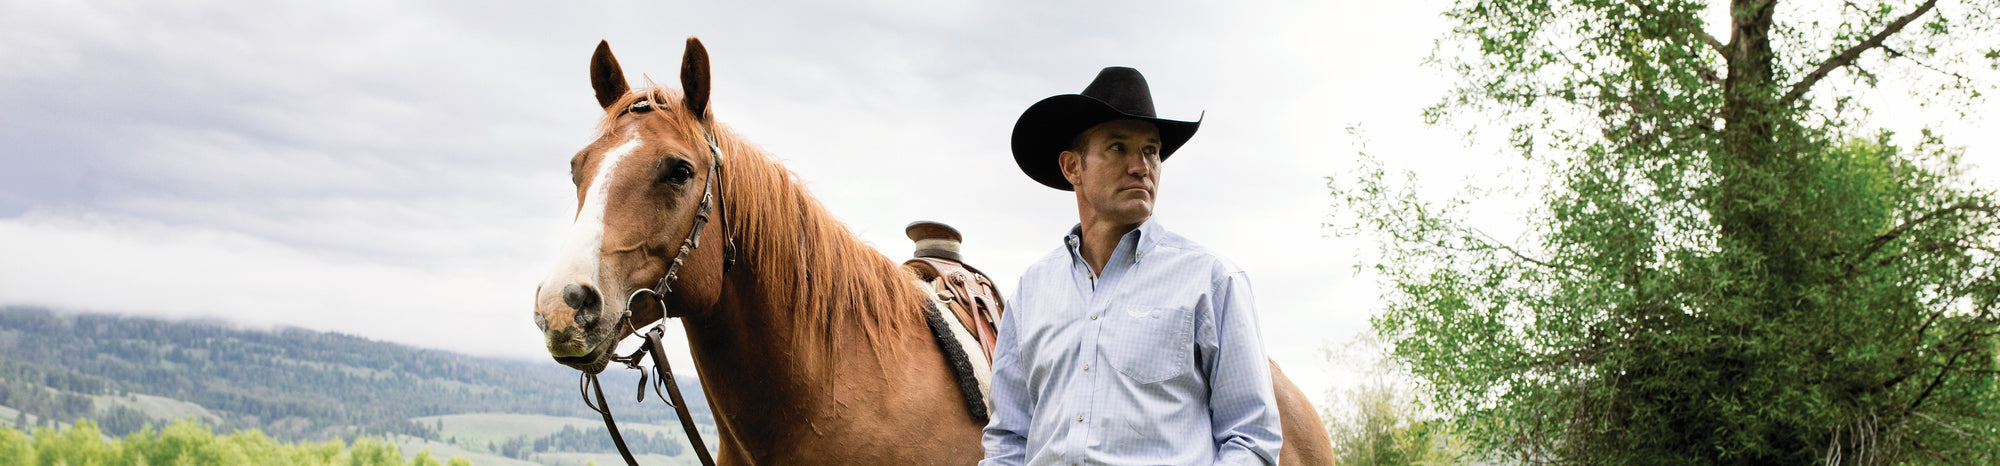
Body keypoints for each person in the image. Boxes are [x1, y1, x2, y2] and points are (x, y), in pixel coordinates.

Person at [981, 67, 1282, 465]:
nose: (1140, 165)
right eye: (1118, 147)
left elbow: (1251, 438)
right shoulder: (1032, 290)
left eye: (1152, 151)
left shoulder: (1212, 280)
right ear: (1073, 167)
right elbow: (1008, 439)